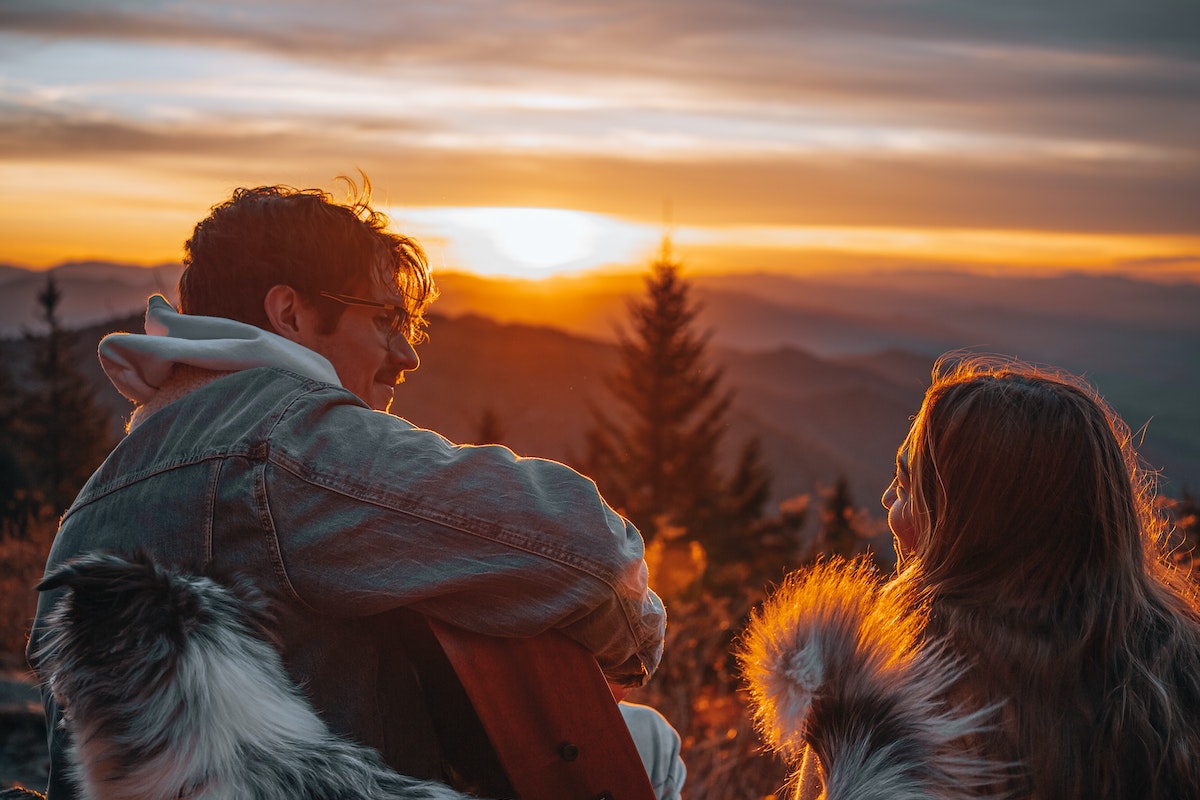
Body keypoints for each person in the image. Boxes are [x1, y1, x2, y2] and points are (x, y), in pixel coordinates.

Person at [27, 178, 677, 798]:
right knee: (649, 740)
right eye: (386, 320)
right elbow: (591, 553)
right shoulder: (287, 445)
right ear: (290, 313)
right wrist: (619, 660)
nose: (407, 355)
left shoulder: (91, 507)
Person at [741, 354, 1200, 799]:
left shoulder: (875, 709)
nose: (885, 500)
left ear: (969, 532)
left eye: (905, 488)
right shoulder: (1173, 682)